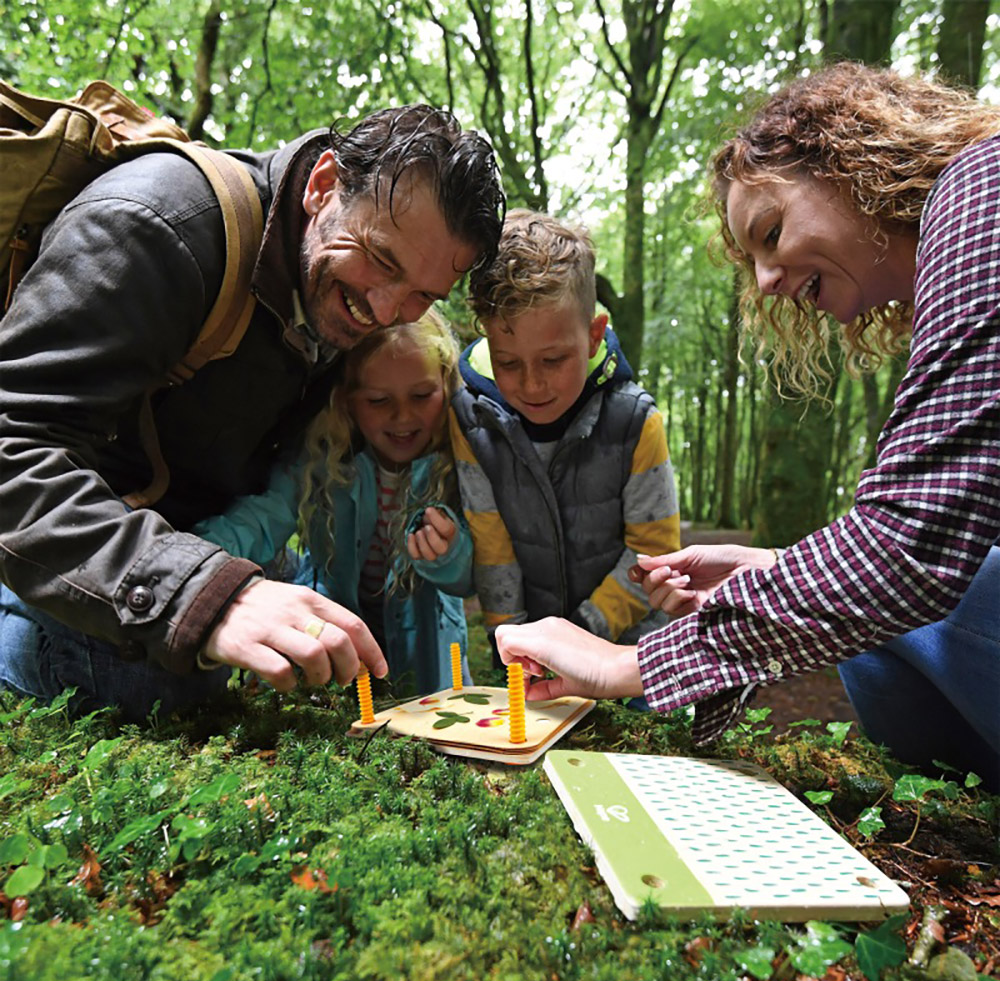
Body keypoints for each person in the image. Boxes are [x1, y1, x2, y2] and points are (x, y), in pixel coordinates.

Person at [493, 63, 1000, 788]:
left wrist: (626, 664)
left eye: (771, 230)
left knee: (888, 615)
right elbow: (950, 529)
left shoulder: (982, 189)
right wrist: (777, 569)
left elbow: (913, 548)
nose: (765, 282)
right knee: (866, 627)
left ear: (850, 162)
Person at [0, 103, 504, 721]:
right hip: (75, 544)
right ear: (323, 186)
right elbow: (12, 445)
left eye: (423, 295)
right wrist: (204, 596)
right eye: (381, 258)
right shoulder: (155, 226)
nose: (384, 309)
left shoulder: (331, 293)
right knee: (160, 688)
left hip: (189, 536)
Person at [193, 309, 474, 697]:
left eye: (422, 395)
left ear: (446, 387)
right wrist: (194, 558)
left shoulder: (458, 465)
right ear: (346, 400)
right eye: (378, 400)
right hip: (337, 636)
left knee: (423, 731)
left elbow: (472, 577)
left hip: (425, 649)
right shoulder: (323, 460)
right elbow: (263, 518)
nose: (403, 416)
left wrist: (448, 556)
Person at [451, 208, 680, 662]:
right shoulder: (473, 422)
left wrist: (581, 636)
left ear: (595, 336)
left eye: (553, 360)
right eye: (509, 362)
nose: (532, 384)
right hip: (534, 660)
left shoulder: (635, 422)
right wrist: (510, 647)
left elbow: (652, 551)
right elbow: (492, 544)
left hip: (632, 653)